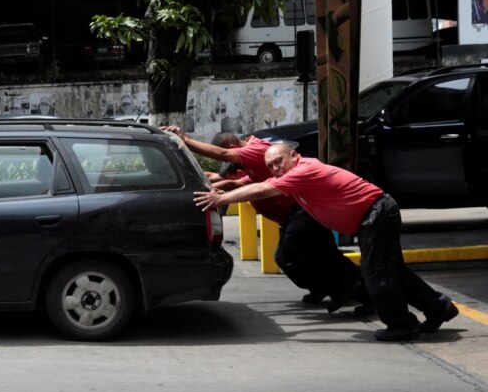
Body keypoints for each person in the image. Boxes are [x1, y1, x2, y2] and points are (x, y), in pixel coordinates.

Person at [193, 142, 459, 342]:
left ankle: (402, 325)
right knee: (391, 270)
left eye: (279, 161)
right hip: (375, 215)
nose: (274, 168)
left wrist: (221, 200)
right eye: (271, 165)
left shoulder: (305, 169)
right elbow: (252, 182)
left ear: (294, 156)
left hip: (376, 213)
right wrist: (221, 186)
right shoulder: (291, 175)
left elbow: (263, 189)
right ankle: (438, 307)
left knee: (376, 271)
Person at [163, 126, 368, 313]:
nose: (228, 162)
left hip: (302, 211)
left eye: (230, 158)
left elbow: (229, 158)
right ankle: (365, 296)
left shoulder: (256, 151)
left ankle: (340, 287)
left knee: (288, 257)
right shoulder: (254, 165)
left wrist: (186, 141)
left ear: (234, 146)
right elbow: (235, 182)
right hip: (298, 213)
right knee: (326, 255)